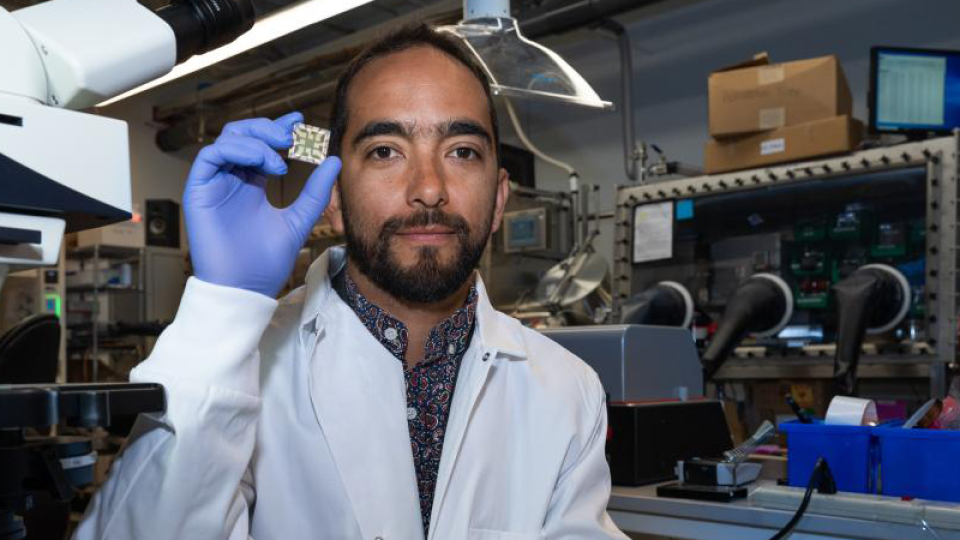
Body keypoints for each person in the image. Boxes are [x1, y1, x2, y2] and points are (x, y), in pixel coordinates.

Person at [74, 23, 627, 540]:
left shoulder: (567, 390)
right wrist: (223, 307)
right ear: (333, 198)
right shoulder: (247, 365)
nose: (429, 188)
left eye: (461, 152)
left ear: (500, 197)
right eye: (386, 151)